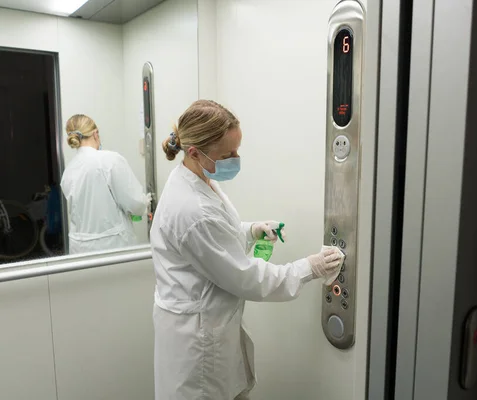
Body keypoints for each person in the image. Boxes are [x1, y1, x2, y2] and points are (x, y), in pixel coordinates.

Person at [151, 100, 343, 400]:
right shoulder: (192, 210)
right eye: (228, 154)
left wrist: (249, 230)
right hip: (197, 341)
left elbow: (214, 239)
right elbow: (247, 278)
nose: (235, 159)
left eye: (237, 150)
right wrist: (309, 267)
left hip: (206, 324)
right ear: (194, 152)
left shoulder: (194, 178)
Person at [60, 114, 150, 254]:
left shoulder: (68, 171)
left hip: (79, 249)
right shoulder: (109, 160)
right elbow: (135, 204)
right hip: (112, 246)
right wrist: (146, 201)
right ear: (95, 134)